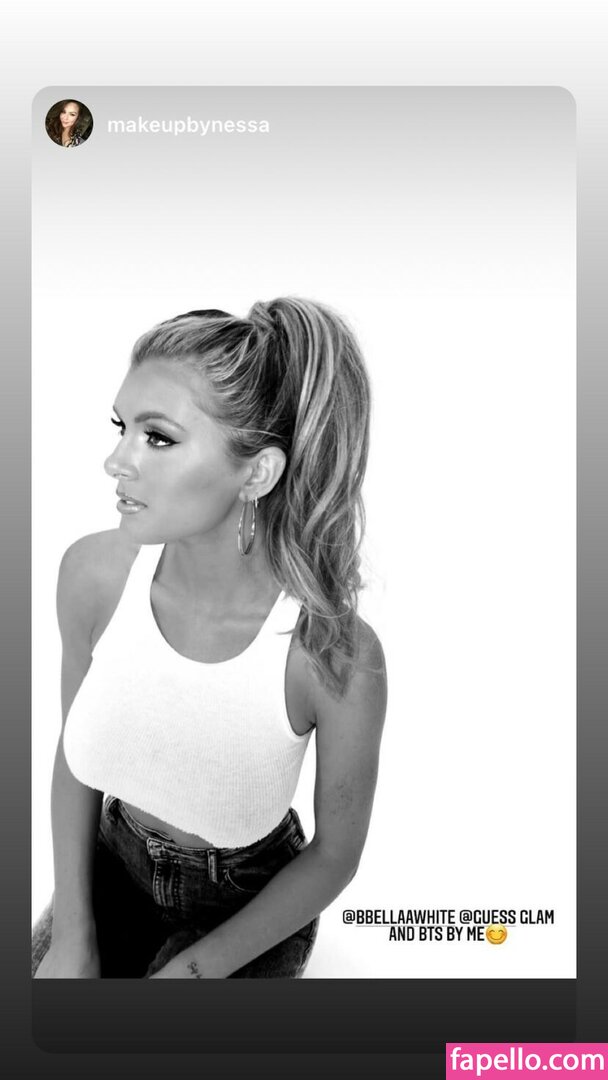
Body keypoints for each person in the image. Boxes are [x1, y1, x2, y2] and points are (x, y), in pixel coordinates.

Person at [32, 298, 387, 979]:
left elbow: (335, 855)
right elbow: (75, 757)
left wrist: (193, 973)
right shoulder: (92, 577)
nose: (116, 461)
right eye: (122, 428)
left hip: (247, 905)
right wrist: (75, 933)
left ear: (256, 473)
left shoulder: (330, 655)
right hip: (111, 871)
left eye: (158, 437)